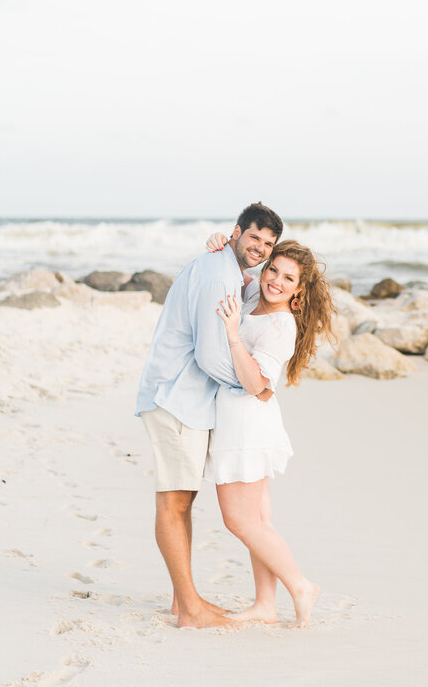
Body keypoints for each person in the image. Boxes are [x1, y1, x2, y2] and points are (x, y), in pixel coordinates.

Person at [134, 202, 282, 629]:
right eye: (253, 237)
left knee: (183, 501)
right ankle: (190, 609)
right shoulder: (220, 271)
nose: (259, 248)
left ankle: (185, 602)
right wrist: (248, 387)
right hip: (177, 395)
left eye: (267, 244)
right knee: (174, 501)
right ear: (237, 232)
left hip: (184, 399)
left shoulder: (225, 267)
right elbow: (208, 352)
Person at [205, 238, 335, 628]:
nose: (275, 280)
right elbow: (236, 269)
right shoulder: (251, 299)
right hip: (241, 421)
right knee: (259, 519)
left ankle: (300, 585)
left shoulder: (280, 324)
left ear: (299, 291)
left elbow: (257, 383)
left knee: (240, 521)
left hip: (246, 425)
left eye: (288, 278)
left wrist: (231, 335)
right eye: (273, 270)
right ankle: (265, 604)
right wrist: (222, 244)